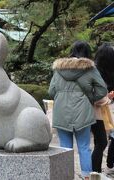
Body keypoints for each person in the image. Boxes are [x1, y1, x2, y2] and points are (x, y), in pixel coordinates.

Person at [49, 41, 108, 179]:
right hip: (83, 112)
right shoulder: (90, 69)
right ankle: (86, 176)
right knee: (84, 147)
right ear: (87, 53)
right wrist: (90, 98)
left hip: (61, 112)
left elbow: (51, 92)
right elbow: (102, 89)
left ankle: (65, 176)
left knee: (64, 148)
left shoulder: (59, 69)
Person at [94, 43, 114, 174]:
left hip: (104, 111)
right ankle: (95, 171)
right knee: (101, 142)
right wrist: (108, 96)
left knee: (101, 142)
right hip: (98, 111)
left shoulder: (96, 71)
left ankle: (99, 168)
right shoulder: (94, 72)